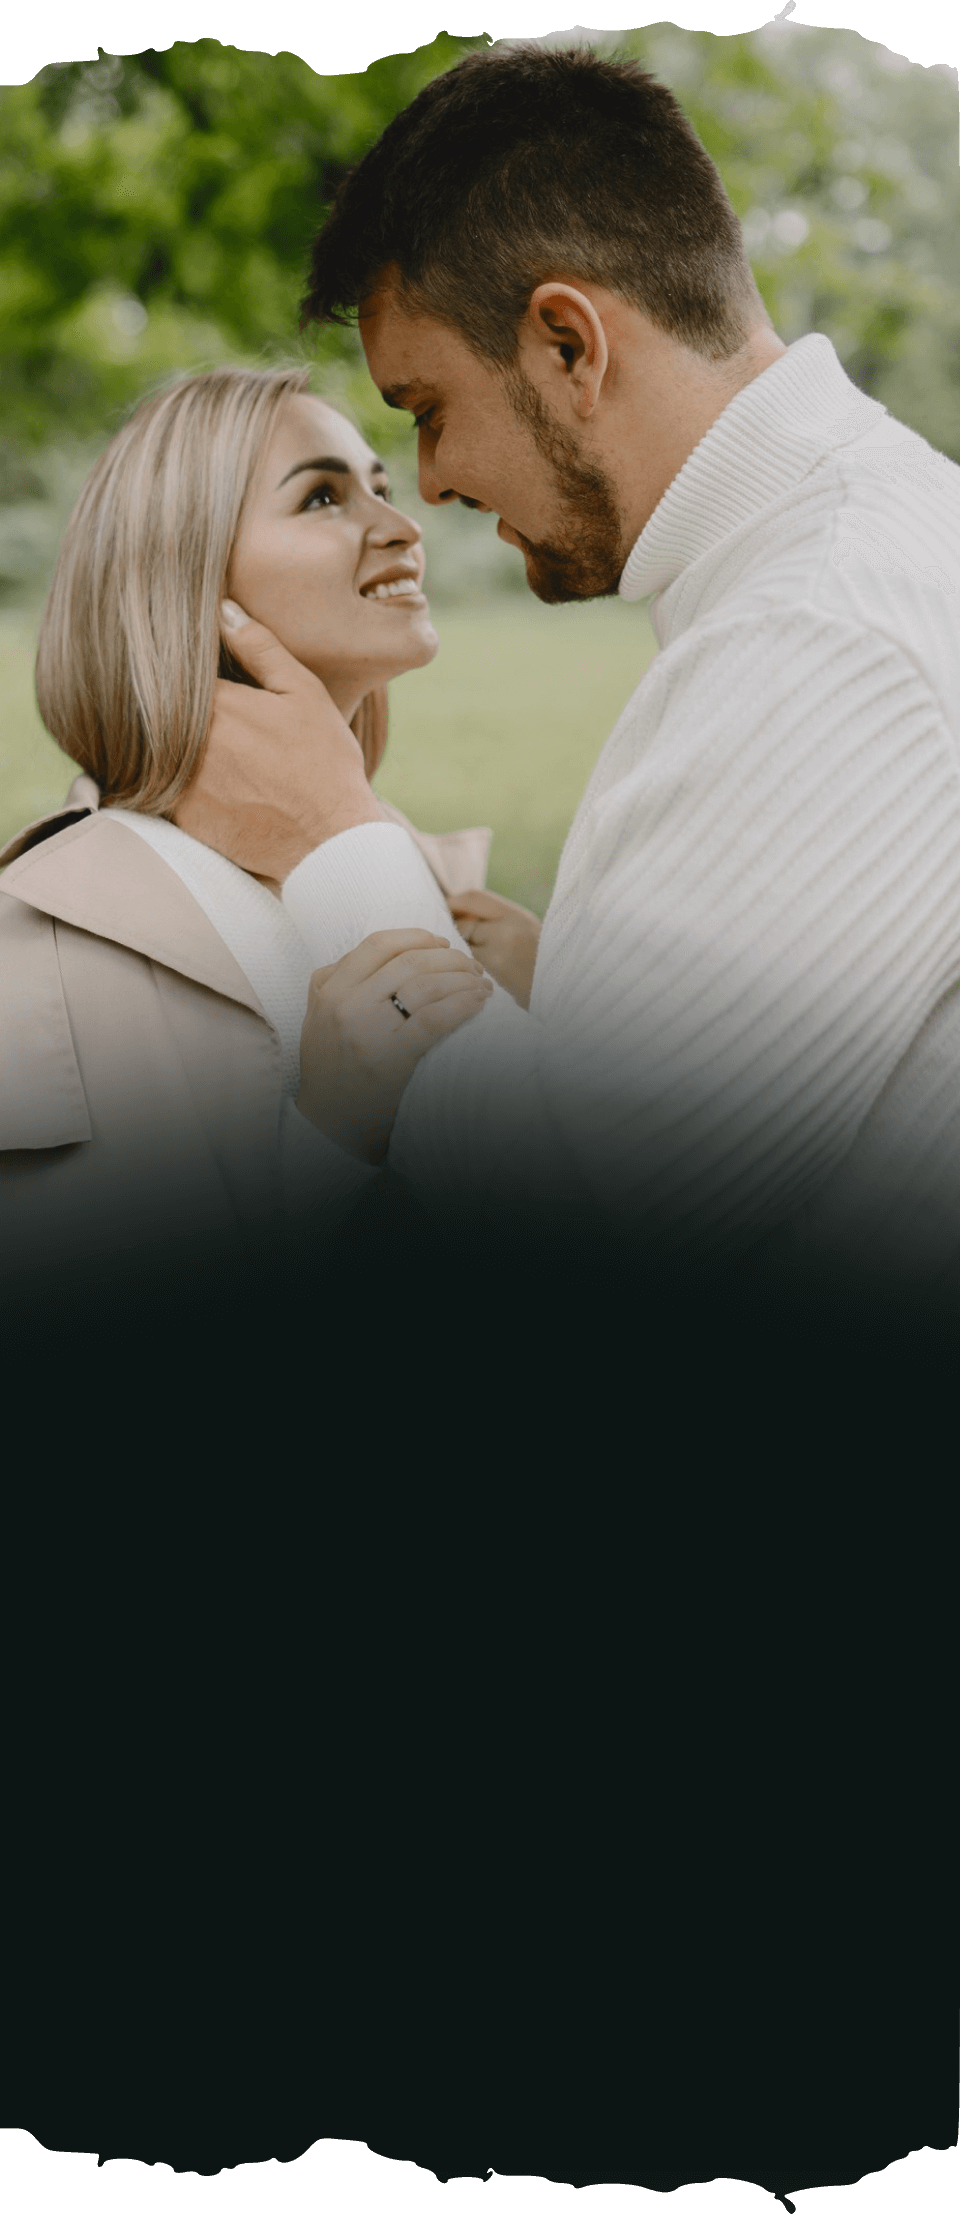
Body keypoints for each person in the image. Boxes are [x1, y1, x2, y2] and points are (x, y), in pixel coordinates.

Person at [172, 43, 960, 1323]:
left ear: (566, 343)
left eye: (427, 409)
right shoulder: (859, 549)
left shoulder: (818, 631)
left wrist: (335, 844)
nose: (428, 485)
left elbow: (584, 1222)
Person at [0, 361, 536, 1296]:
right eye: (322, 496)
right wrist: (332, 1140)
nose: (403, 526)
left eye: (378, 485)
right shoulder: (37, 955)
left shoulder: (441, 889)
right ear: (184, 575)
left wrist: (557, 1022)